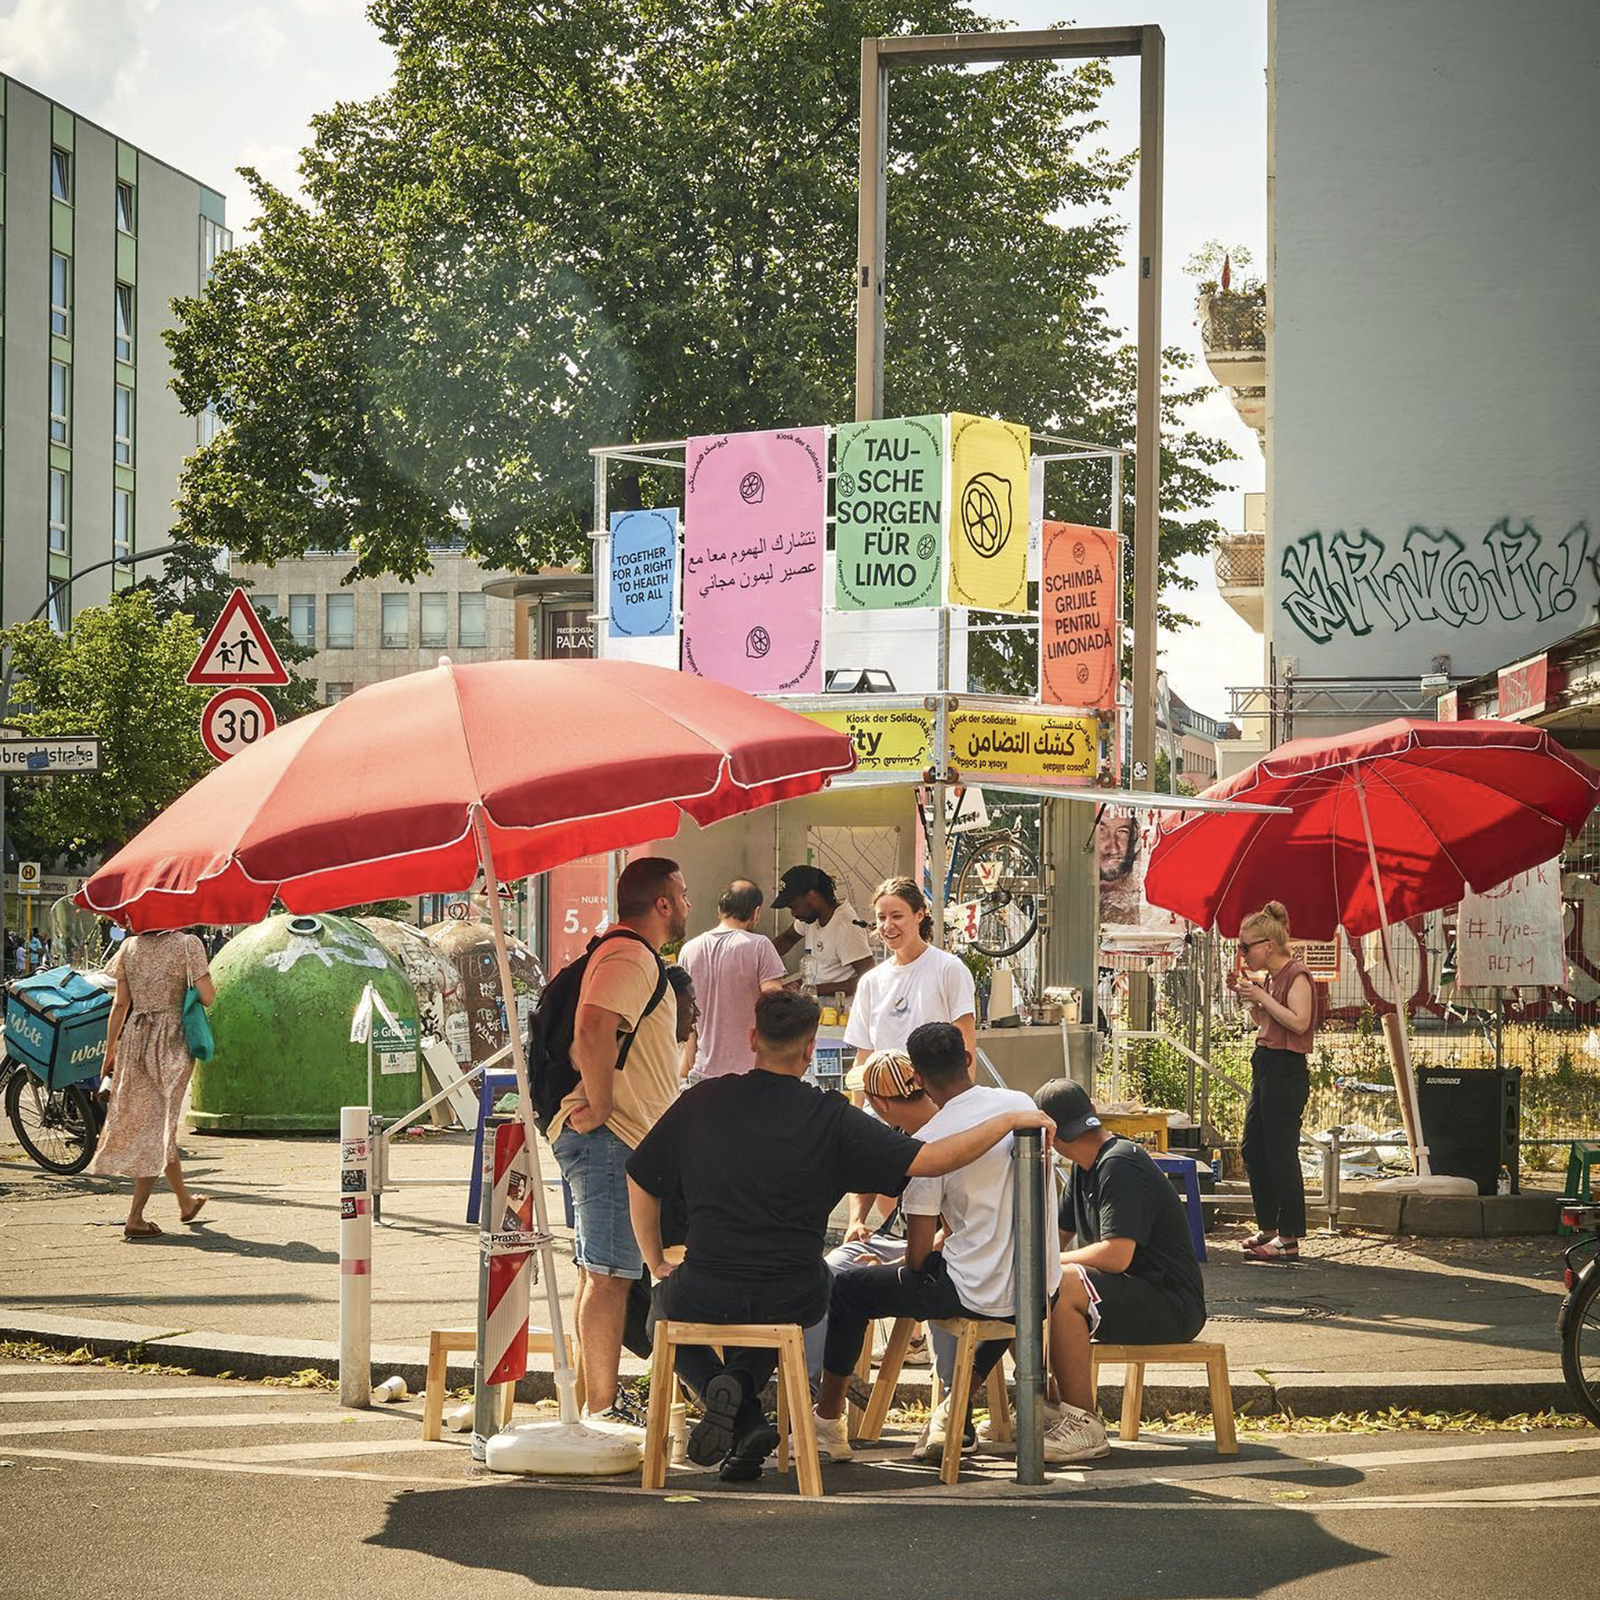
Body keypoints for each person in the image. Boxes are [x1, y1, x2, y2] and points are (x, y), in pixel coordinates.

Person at [626, 992, 1054, 1481]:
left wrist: (655, 1259)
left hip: (705, 1285)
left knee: (656, 1306)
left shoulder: (702, 1099)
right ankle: (743, 1413)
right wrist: (1006, 1121)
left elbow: (639, 1175)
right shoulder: (829, 1114)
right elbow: (930, 1160)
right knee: (781, 1313)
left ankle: (736, 1411)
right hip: (793, 1290)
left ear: (752, 1039)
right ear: (811, 1050)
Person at [814, 1021, 1062, 1464]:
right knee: (991, 1290)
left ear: (918, 1079)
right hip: (1040, 1286)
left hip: (975, 1291)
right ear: (967, 1059)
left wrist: (908, 1263)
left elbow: (917, 1254)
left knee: (851, 1289)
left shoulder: (928, 1143)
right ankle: (954, 1408)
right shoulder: (1019, 1103)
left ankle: (828, 1422)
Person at [548, 856, 689, 1427]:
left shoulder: (624, 951)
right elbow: (592, 1023)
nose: (686, 902)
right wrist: (603, 1104)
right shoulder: (629, 953)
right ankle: (601, 1411)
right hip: (614, 1137)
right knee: (609, 1277)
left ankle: (595, 1403)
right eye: (681, 893)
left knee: (599, 1273)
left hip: (620, 1138)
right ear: (661, 903)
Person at [1036, 1078, 1208, 1463]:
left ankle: (1083, 1424)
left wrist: (1047, 1262)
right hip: (1134, 1293)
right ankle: (1048, 1405)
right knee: (1031, 1283)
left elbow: (1117, 1255)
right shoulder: (1084, 1168)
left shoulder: (1120, 1162)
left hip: (1171, 1304)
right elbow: (1054, 1240)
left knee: (1061, 1282)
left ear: (1054, 1136)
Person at [799, 1051, 957, 1401]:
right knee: (824, 1273)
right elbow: (865, 1173)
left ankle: (953, 1406)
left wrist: (893, 1265)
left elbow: (953, 1231)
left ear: (881, 1102)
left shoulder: (946, 1134)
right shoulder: (894, 1129)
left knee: (939, 1284)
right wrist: (856, 1220)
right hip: (891, 1239)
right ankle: (816, 1386)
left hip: (935, 1249)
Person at [89, 927, 216, 1240]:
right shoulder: (188, 945)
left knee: (157, 1121)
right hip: (173, 1039)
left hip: (136, 1038)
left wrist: (111, 1049)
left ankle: (185, 1202)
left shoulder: (129, 947)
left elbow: (120, 1005)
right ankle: (135, 1217)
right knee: (160, 1124)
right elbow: (209, 996)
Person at [1230, 900, 1318, 1263]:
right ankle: (1269, 1225)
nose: (1243, 954)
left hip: (1286, 1068)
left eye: (1245, 947)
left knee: (1282, 1152)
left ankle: (1289, 1235)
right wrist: (1252, 999)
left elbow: (1299, 1022)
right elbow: (1268, 1023)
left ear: (1268, 945)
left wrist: (1261, 996)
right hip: (1266, 1062)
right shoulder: (1271, 978)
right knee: (1254, 1147)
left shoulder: (1297, 975)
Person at [677, 880, 785, 1081]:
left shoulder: (689, 950)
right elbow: (775, 1005)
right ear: (756, 913)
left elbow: (687, 1019)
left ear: (720, 910)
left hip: (702, 1074)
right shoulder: (760, 946)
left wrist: (687, 1067)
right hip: (750, 1073)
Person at [772, 866, 874, 997]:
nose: (793, 913)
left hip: (841, 1013)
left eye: (794, 906)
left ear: (812, 896)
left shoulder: (846, 927)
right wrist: (759, 959)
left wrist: (811, 990)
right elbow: (787, 939)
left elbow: (868, 978)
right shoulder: (809, 918)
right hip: (818, 1009)